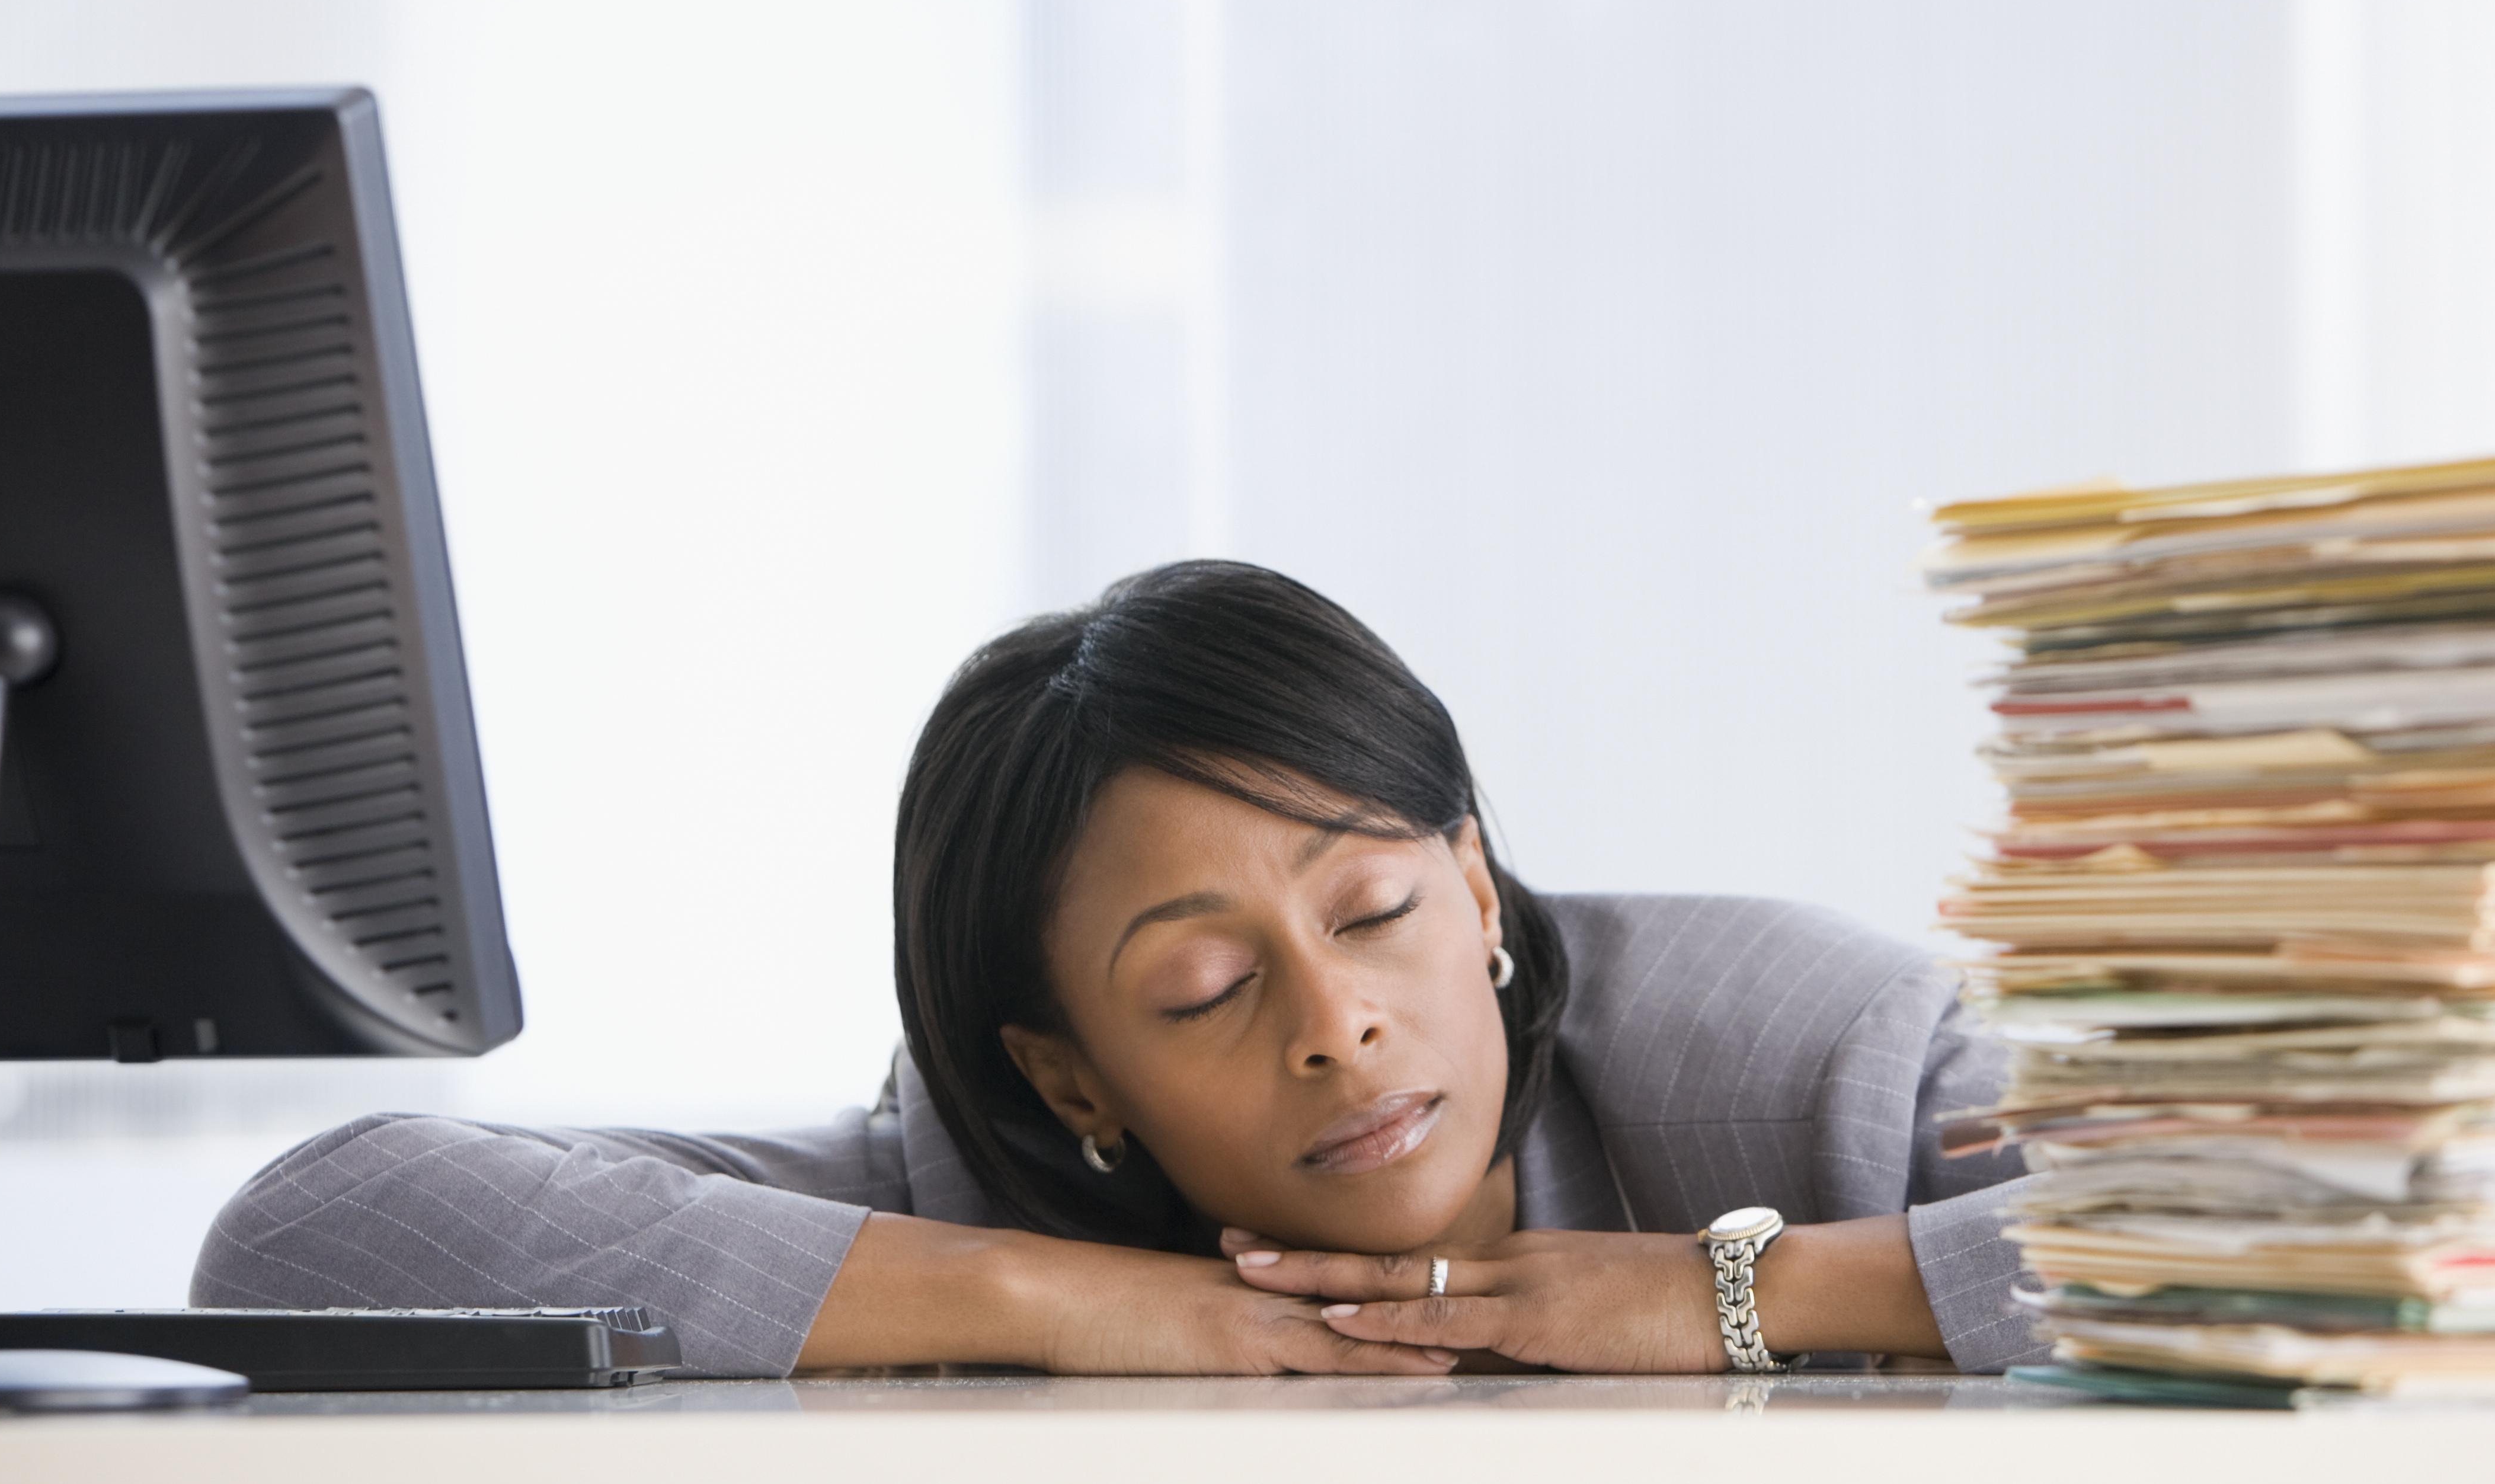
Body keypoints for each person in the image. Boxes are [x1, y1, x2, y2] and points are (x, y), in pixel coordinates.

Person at [193, 562, 2040, 1378]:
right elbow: (305, 1234)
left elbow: (2309, 1225)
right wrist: (1062, 1298)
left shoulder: (1812, 1049)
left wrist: (1738, 1292)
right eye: (1195, 991)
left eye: (1375, 910)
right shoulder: (972, 1180)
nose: (1335, 1026)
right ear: (1071, 1072)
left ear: (1474, 880)